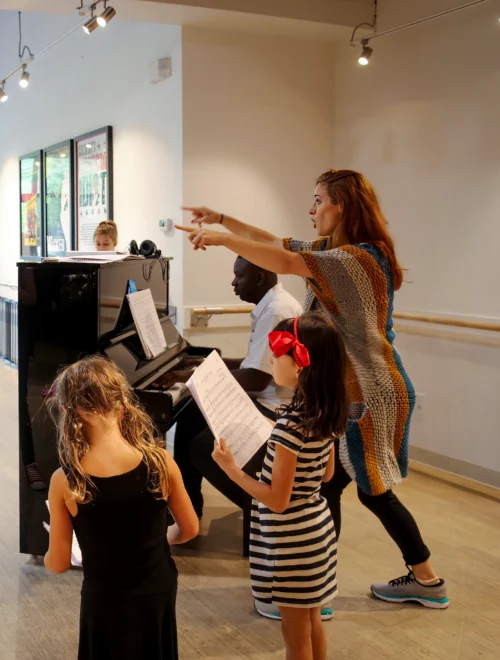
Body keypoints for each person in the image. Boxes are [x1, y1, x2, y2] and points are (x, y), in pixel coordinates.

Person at [179, 169, 448, 608]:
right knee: (342, 487)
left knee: (366, 489)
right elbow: (275, 243)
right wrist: (224, 219)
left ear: (342, 205)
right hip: (356, 390)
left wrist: (223, 240)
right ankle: (358, 583)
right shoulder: (335, 252)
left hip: (371, 393)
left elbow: (282, 262)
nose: (312, 209)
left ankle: (327, 588)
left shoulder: (356, 260)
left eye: (319, 200)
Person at [44, 356, 199, 660]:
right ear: (123, 403)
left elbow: (58, 563)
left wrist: (52, 549)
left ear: (67, 412)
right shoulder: (160, 461)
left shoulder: (65, 480)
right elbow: (190, 528)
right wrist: (161, 539)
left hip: (105, 598)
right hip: (157, 591)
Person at [212, 313, 345, 660]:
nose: (271, 359)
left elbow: (278, 500)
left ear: (300, 365)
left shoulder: (290, 426)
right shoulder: (324, 412)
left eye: (276, 353)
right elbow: (327, 475)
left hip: (292, 540)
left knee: (294, 637)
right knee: (312, 620)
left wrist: (232, 470)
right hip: (317, 528)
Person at [173, 256, 302, 519]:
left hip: (273, 407)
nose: (233, 283)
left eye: (239, 276)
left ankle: (259, 509)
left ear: (259, 278)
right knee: (189, 415)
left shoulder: (276, 310)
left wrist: (198, 377)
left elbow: (256, 378)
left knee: (202, 448)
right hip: (265, 399)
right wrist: (203, 367)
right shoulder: (273, 304)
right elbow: (251, 363)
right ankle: (187, 508)